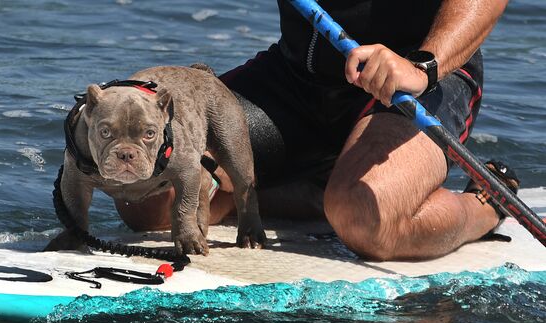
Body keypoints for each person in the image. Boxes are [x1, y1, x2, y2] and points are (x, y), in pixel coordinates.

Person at [116, 0, 515, 260]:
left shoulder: (425, 69)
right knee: (151, 197)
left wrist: (424, 66)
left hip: (421, 78)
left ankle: (483, 206)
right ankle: (321, 192)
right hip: (296, 77)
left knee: (366, 217)